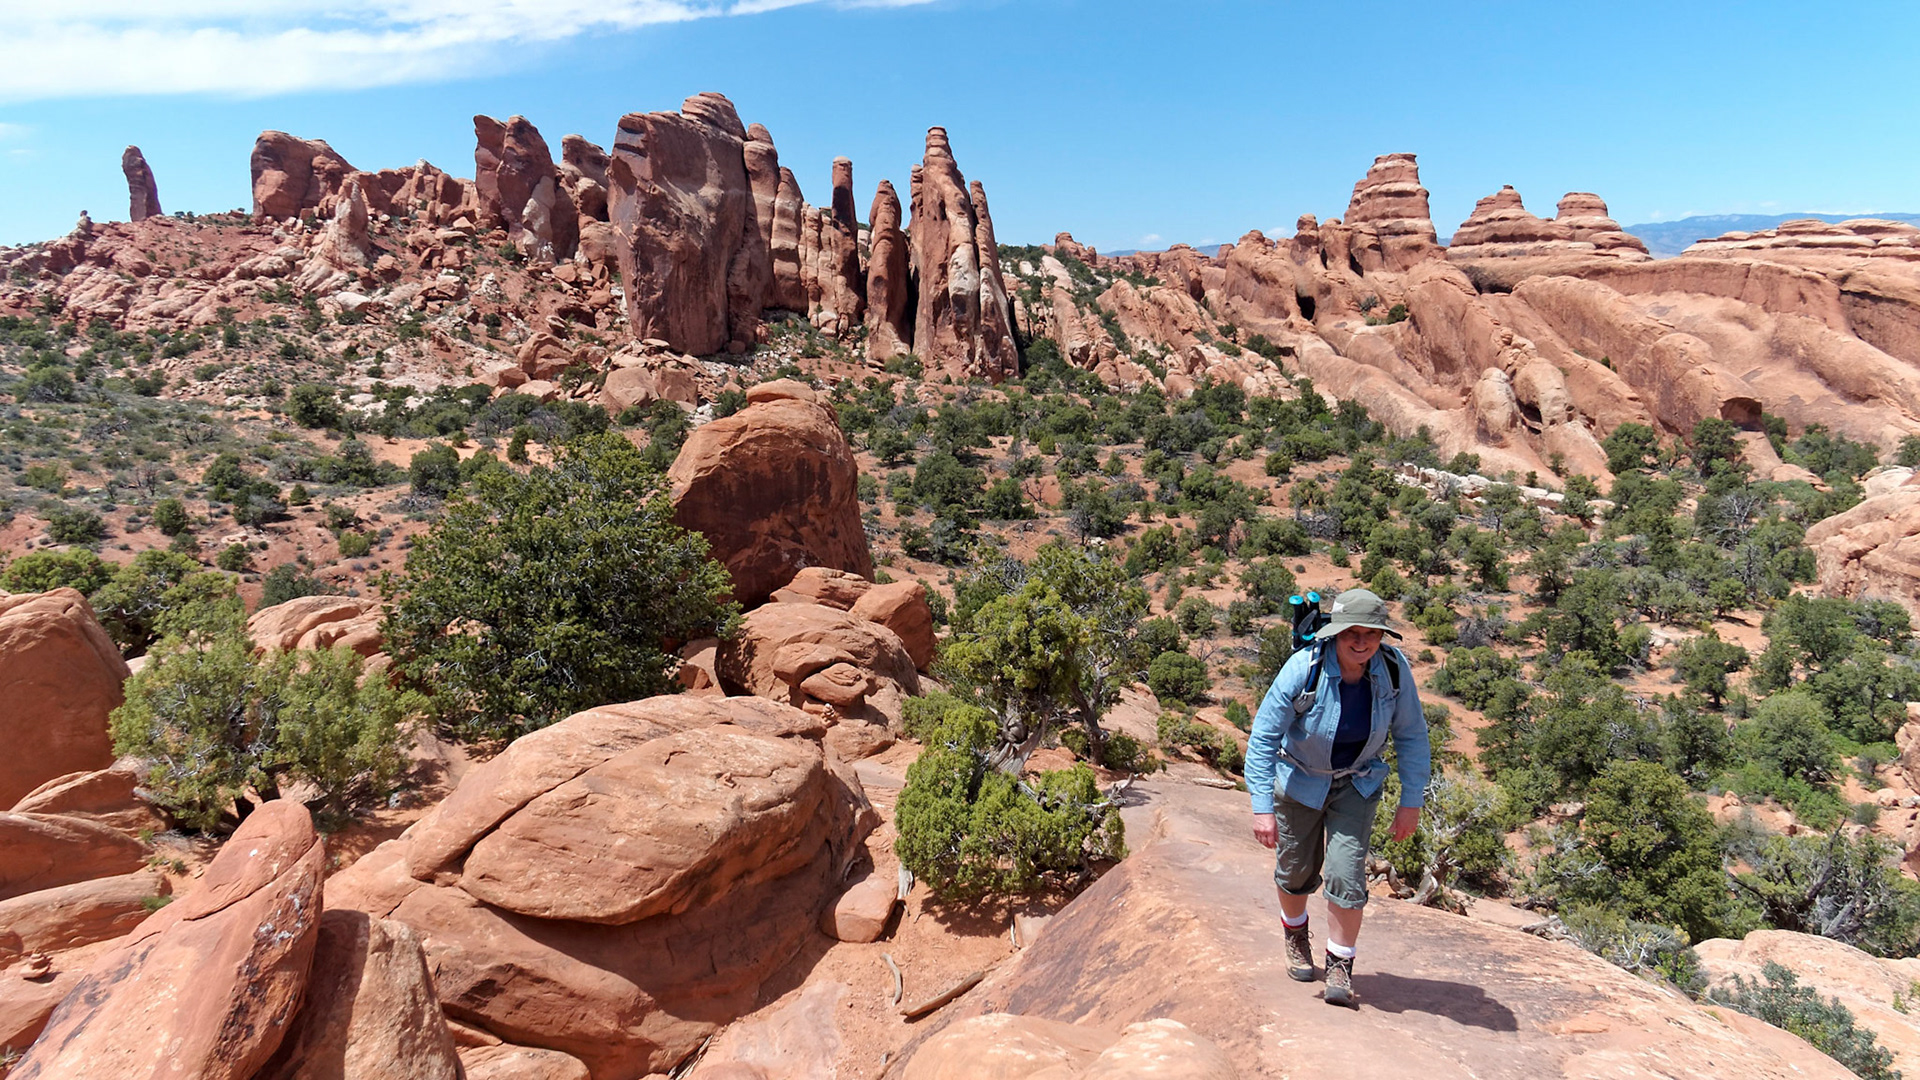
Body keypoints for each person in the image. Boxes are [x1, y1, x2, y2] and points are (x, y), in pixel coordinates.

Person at [1246, 588, 1430, 1007]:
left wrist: (1411, 801)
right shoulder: (1303, 668)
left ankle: (1340, 965)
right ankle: (1295, 934)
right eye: (1352, 633)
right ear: (1335, 633)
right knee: (1295, 871)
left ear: (1383, 636)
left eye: (1372, 633)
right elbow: (1263, 739)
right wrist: (1261, 807)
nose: (1361, 642)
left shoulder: (1393, 671)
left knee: (1347, 875)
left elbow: (1412, 736)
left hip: (1356, 782)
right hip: (1299, 780)